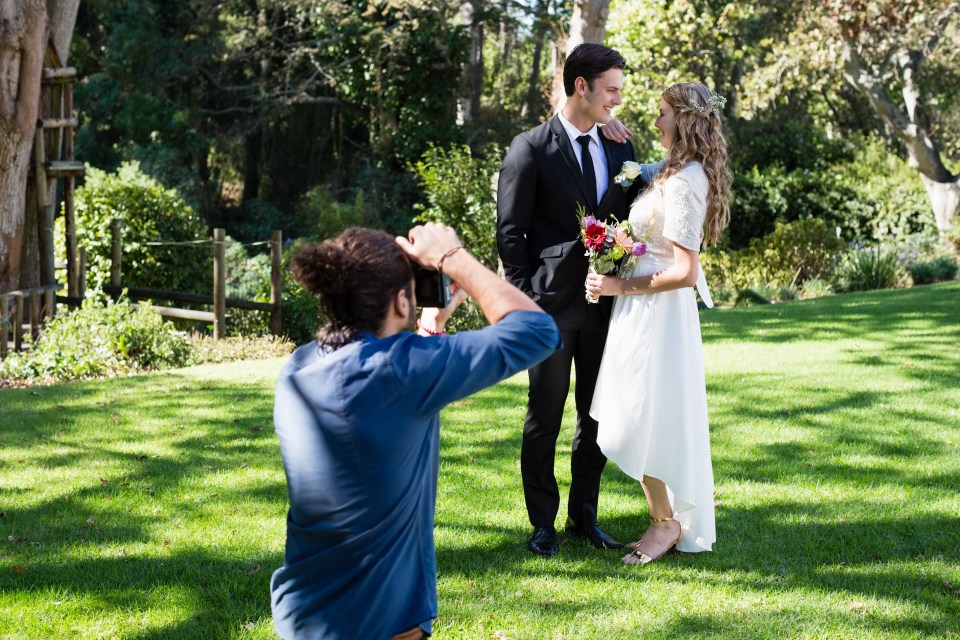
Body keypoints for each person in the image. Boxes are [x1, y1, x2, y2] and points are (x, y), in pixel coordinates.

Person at [269, 224, 560, 639]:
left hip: (304, 614)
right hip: (379, 620)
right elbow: (536, 331)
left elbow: (381, 412)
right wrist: (452, 256)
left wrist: (429, 329)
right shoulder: (403, 371)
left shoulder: (298, 369)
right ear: (402, 300)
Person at [496, 43, 657, 557]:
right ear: (580, 86)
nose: (617, 100)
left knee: (597, 414)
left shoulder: (621, 148)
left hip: (607, 304)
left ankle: (583, 517)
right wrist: (524, 301)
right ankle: (541, 522)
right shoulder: (530, 148)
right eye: (610, 89)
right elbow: (510, 232)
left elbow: (630, 215)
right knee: (545, 414)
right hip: (547, 308)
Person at [585, 81, 733, 565]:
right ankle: (664, 514)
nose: (656, 121)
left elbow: (686, 272)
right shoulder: (669, 171)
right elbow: (634, 174)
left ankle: (665, 520)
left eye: (664, 113)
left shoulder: (689, 180)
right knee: (638, 413)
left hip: (659, 315)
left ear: (685, 120)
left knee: (641, 416)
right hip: (639, 310)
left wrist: (616, 287)